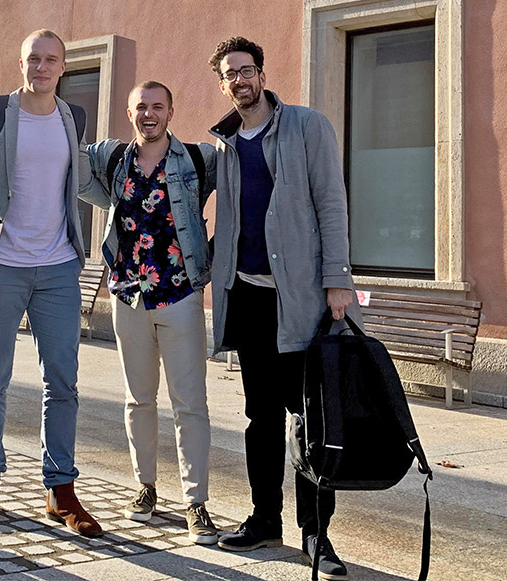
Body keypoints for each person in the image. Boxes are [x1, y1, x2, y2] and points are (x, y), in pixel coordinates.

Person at [207, 36, 361, 580]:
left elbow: (331, 200)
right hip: (247, 296)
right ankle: (265, 519)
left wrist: (337, 279)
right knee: (260, 416)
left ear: (262, 73)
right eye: (230, 74)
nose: (240, 79)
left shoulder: (306, 125)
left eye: (248, 69)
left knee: (310, 419)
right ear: (222, 83)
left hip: (301, 298)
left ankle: (317, 532)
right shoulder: (223, 143)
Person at [0, 29, 101, 538]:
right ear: (20, 63)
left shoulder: (73, 118)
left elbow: (83, 182)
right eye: (33, 59)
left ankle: (60, 489)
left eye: (51, 60)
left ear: (63, 67)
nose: (42, 67)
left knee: (61, 382)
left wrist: (139, 204)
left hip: (60, 265)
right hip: (1, 263)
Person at [84, 81, 219, 544]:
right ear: (129, 112)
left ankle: (196, 503)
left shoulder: (199, 159)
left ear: (171, 111)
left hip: (180, 297)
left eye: (158, 106)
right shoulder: (113, 159)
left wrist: (216, 252)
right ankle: (145, 487)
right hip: (128, 297)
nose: (149, 114)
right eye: (141, 106)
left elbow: (245, 187)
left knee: (190, 404)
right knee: (138, 399)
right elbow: (68, 161)